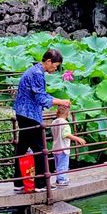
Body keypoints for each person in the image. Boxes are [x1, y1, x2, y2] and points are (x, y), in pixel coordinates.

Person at [13, 49, 70, 191]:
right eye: (55, 65)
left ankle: (19, 182)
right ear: (49, 61)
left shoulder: (33, 70)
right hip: (30, 114)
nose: (55, 68)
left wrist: (57, 100)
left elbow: (40, 94)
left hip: (22, 112)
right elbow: (41, 98)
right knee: (39, 148)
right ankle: (40, 183)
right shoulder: (38, 74)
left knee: (22, 147)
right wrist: (61, 101)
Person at [51, 105, 86, 186]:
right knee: (63, 164)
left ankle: (58, 178)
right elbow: (65, 134)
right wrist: (78, 139)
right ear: (67, 114)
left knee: (58, 165)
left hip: (55, 147)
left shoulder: (54, 122)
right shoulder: (65, 123)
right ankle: (62, 180)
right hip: (63, 147)